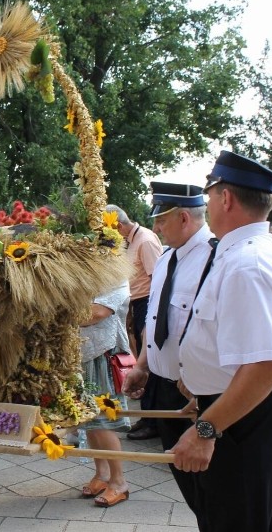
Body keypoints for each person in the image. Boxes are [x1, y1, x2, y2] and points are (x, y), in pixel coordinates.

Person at [172, 151, 272, 532]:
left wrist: (206, 430)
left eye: (209, 194)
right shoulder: (242, 253)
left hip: (245, 420)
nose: (207, 204)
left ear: (225, 198)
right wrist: (203, 386)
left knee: (238, 523)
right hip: (239, 411)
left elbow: (266, 365)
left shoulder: (248, 263)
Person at [122, 181, 212, 512]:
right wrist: (143, 366)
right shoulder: (166, 258)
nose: (156, 227)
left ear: (184, 218)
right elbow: (156, 322)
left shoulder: (214, 257)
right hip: (164, 385)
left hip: (197, 393)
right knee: (192, 491)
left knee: (217, 492)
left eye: (161, 220)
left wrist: (199, 384)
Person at [104, 204, 162, 440]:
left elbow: (157, 279)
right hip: (137, 304)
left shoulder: (145, 240)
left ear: (116, 225)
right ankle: (147, 417)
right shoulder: (130, 240)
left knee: (150, 363)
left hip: (148, 303)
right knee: (142, 361)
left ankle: (155, 421)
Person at [77, 280, 132, 508]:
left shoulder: (117, 277)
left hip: (104, 355)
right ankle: (102, 474)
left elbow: (97, 312)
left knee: (103, 420)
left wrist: (55, 313)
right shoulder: (84, 273)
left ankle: (119, 482)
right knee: (88, 419)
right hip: (82, 353)